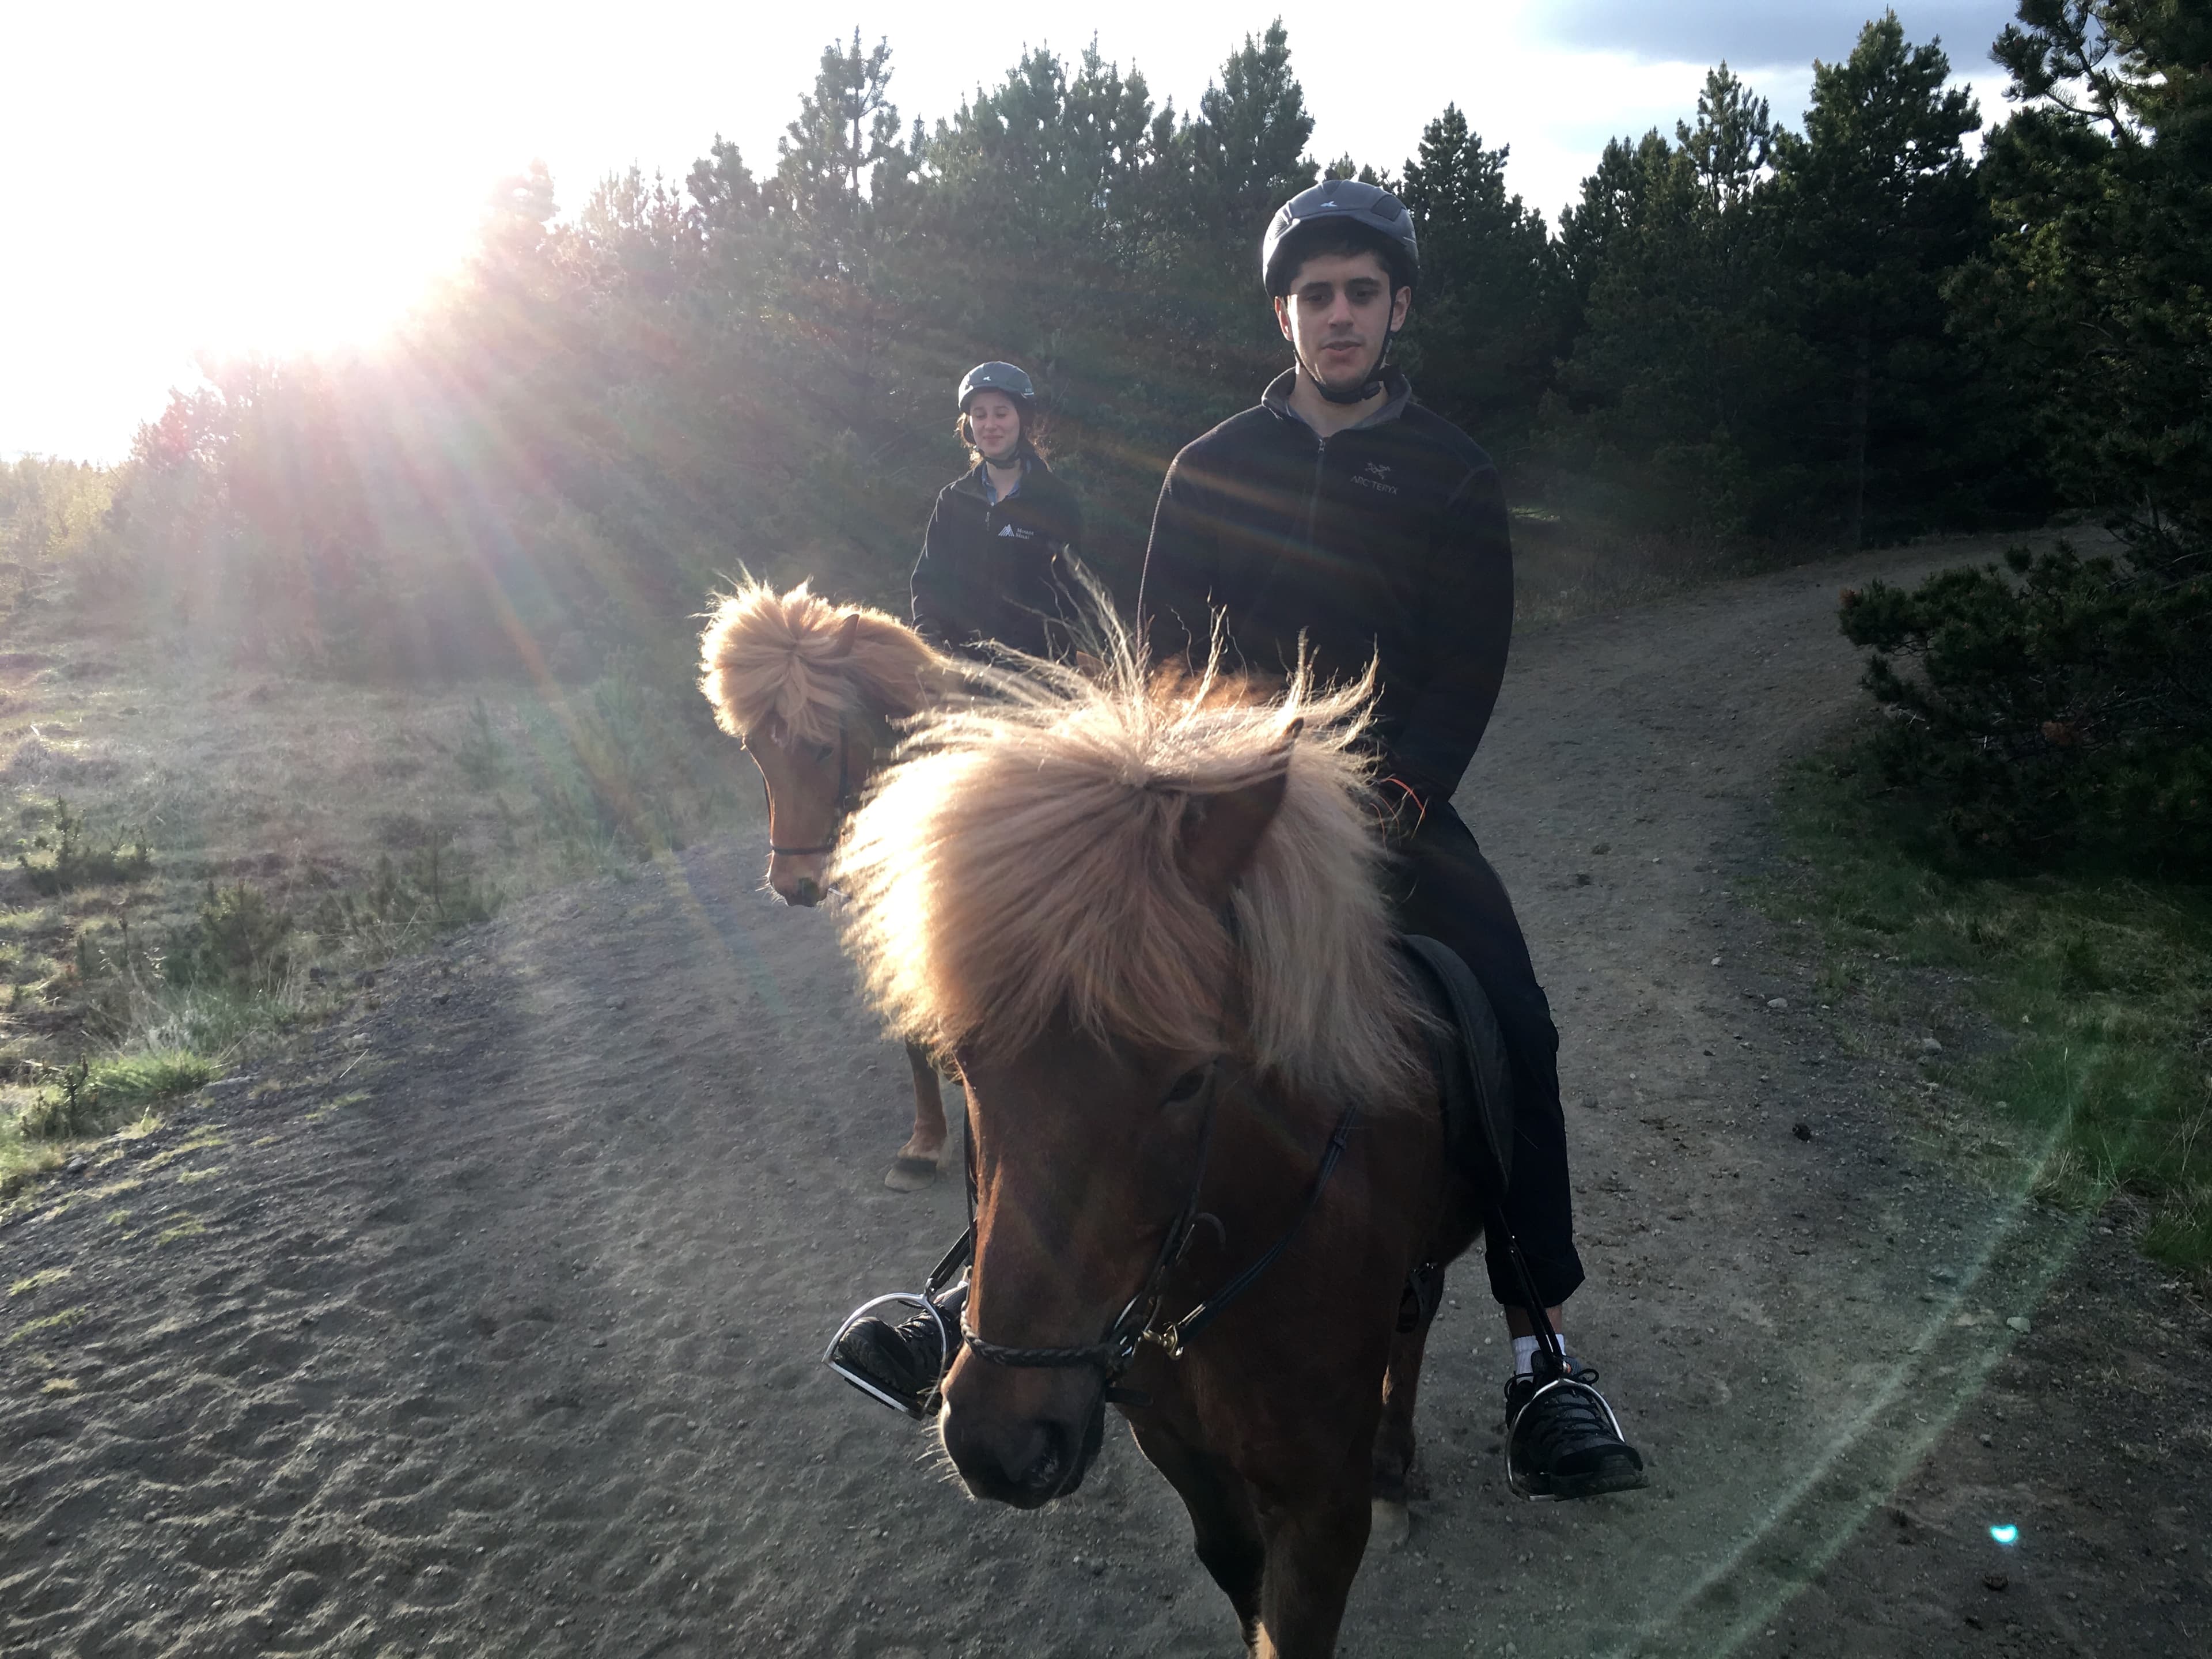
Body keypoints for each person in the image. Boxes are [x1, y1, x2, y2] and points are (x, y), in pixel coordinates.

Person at [1134, 177, 1645, 1499]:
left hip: (1385, 807)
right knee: (1068, 991)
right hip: (1224, 810)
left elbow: (1467, 659)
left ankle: (1543, 1352)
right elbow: (1162, 658)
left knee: (1512, 1028)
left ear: (1396, 306)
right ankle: (976, 1297)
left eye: (1362, 291)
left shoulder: (1449, 472)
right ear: (1285, 311)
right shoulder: (1204, 470)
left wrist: (1403, 788)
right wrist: (1204, 791)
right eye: (1317, 293)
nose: (1339, 313)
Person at [909, 361, 1084, 660]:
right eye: (980, 415)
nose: (990, 425)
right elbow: (929, 582)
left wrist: (1019, 658)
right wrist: (931, 642)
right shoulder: (953, 499)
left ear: (1022, 419)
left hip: (1036, 674)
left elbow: (1068, 596)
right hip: (960, 666)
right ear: (969, 425)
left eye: (1001, 413)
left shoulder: (1057, 502)